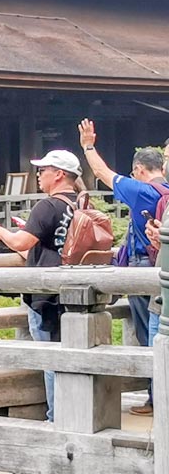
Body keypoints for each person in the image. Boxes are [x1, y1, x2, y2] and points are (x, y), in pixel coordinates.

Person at [78, 119, 169, 415]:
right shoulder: (165, 190)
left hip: (143, 268)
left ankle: (157, 398)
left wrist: (88, 146)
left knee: (150, 334)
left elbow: (103, 174)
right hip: (159, 266)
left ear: (140, 170)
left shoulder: (142, 190)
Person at [0, 149, 82, 421]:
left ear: (59, 174)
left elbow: (21, 242)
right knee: (73, 358)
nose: (39, 175)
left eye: (44, 170)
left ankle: (57, 418)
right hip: (75, 290)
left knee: (51, 360)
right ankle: (76, 416)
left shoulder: (48, 206)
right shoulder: (82, 204)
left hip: (46, 296)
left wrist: (1, 232)